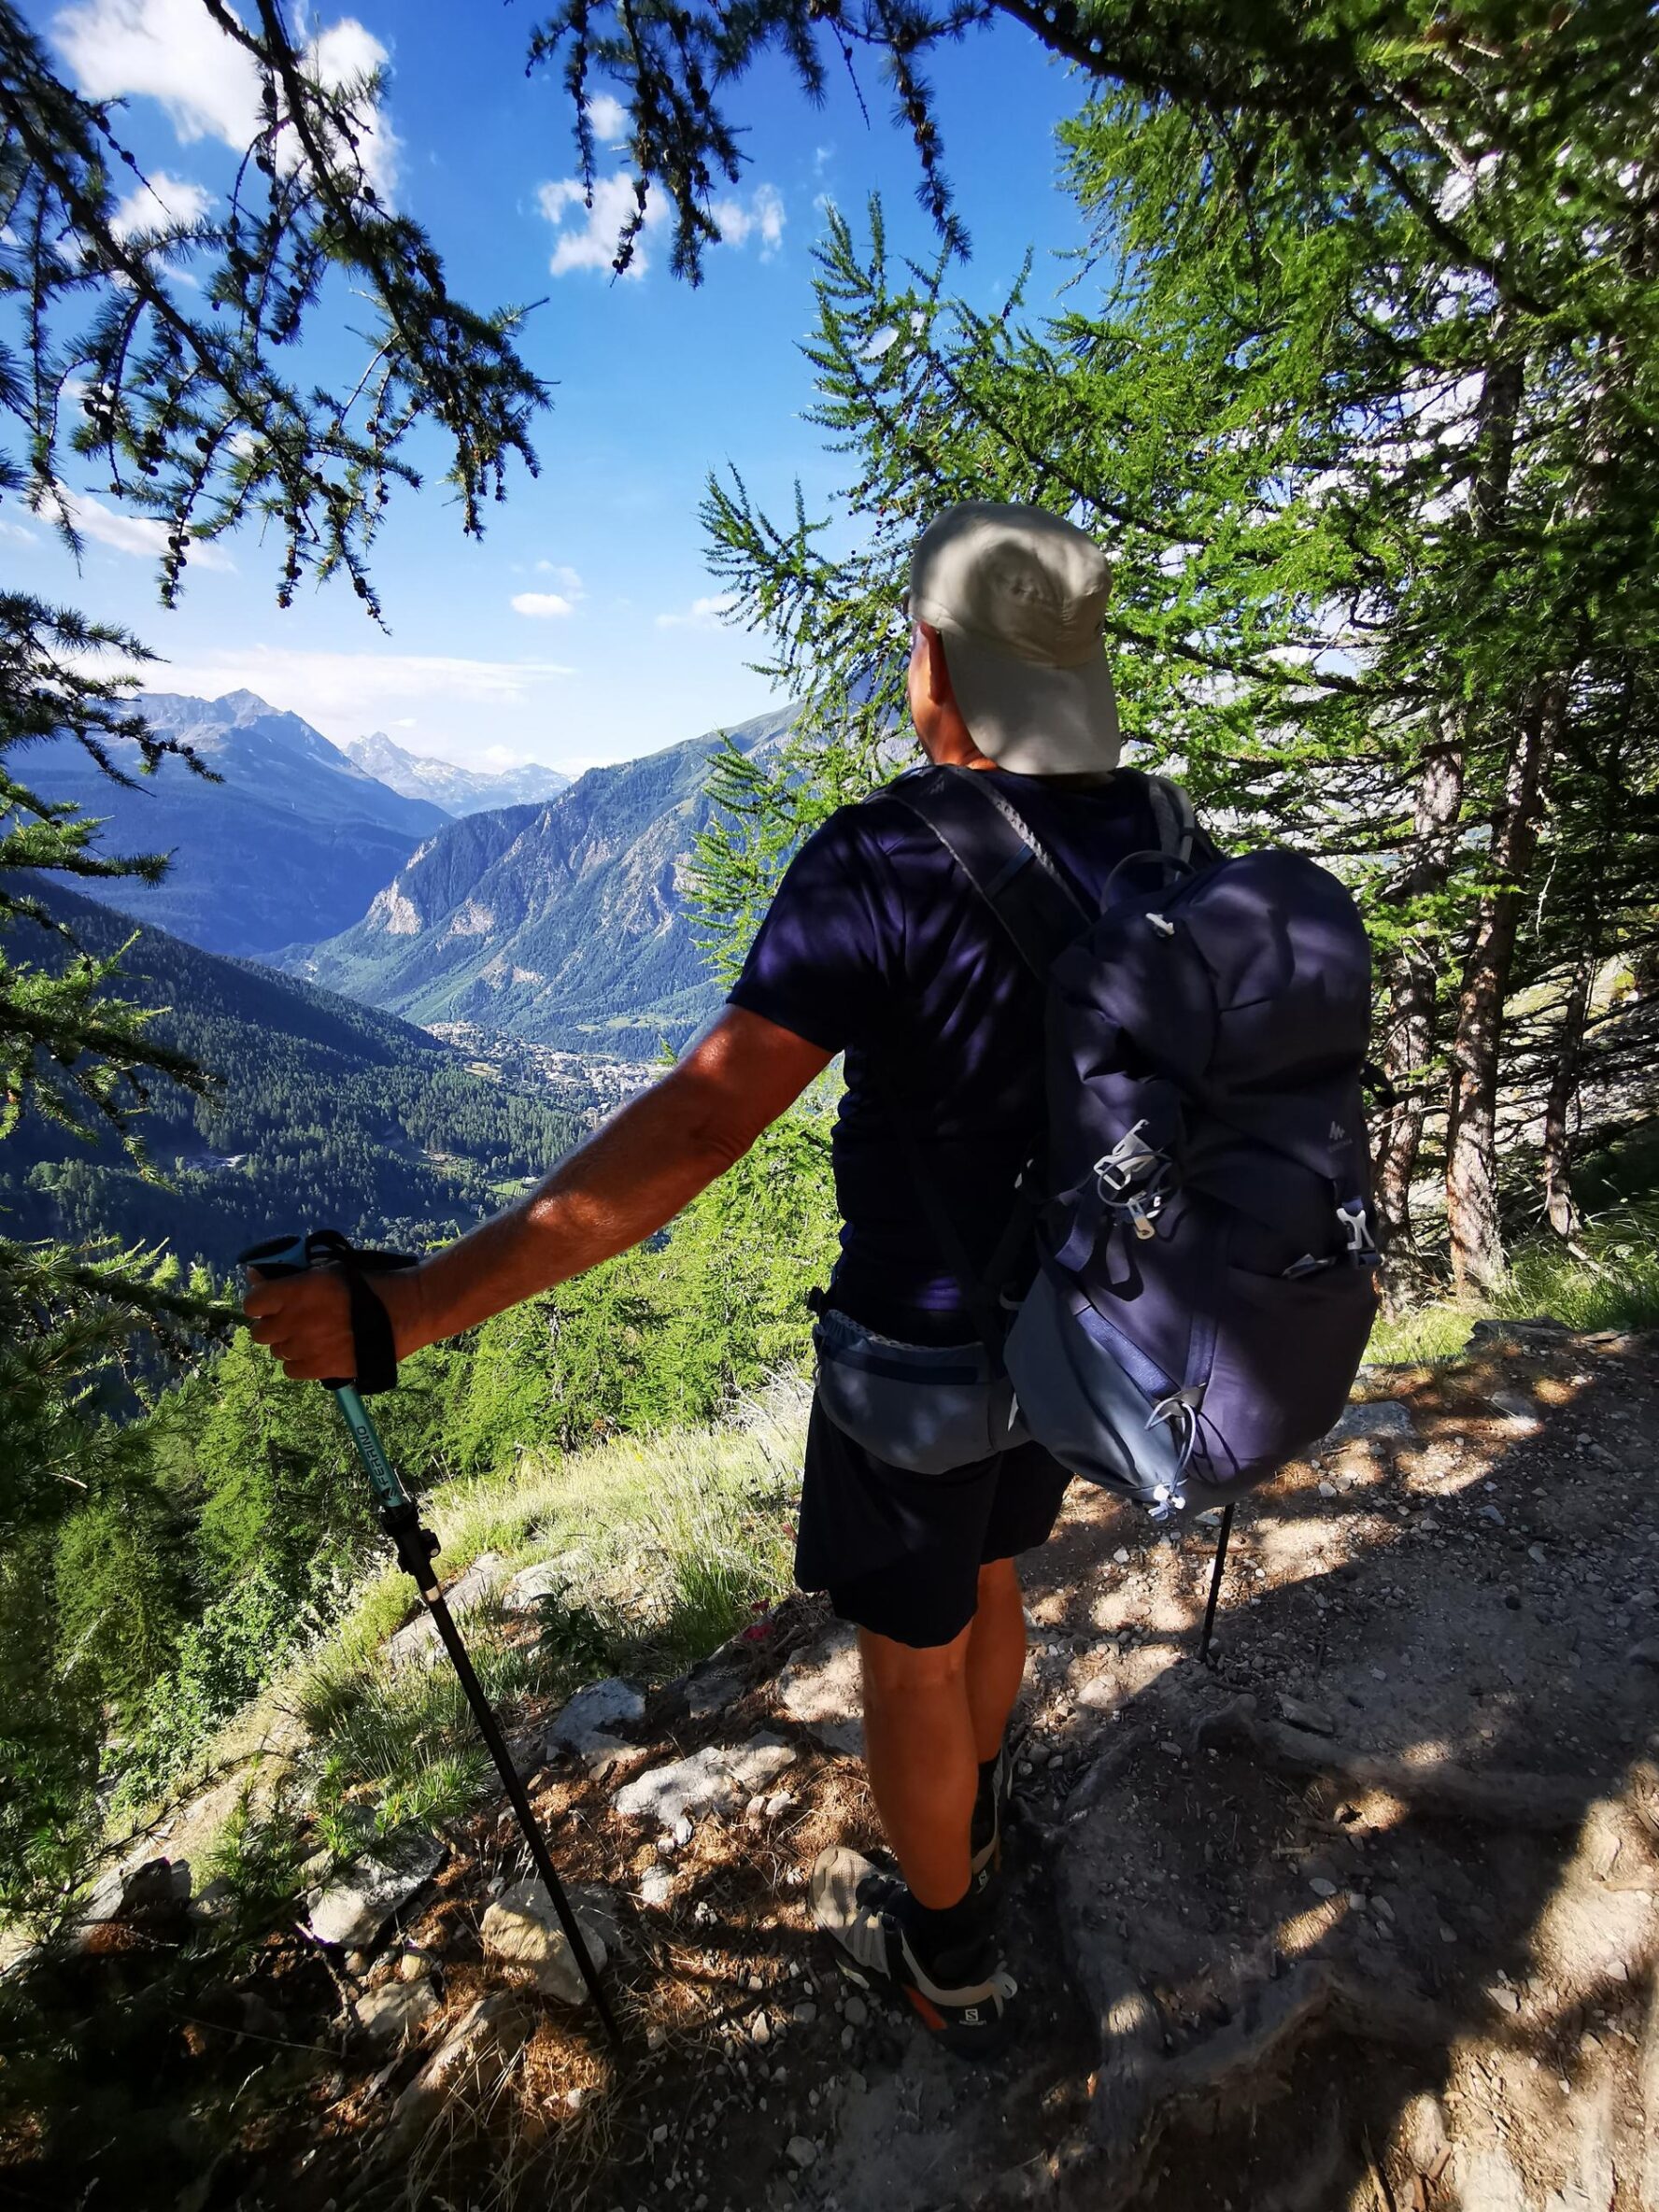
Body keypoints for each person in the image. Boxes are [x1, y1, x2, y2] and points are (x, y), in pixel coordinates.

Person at [245, 502, 1164, 2059]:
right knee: (997, 1577)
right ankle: (984, 1820)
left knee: (912, 1653)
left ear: (935, 666)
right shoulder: (1154, 827)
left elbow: (691, 1127)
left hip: (918, 1368)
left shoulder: (884, 853)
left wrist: (411, 1312)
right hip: (1080, 1335)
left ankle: (949, 1957)